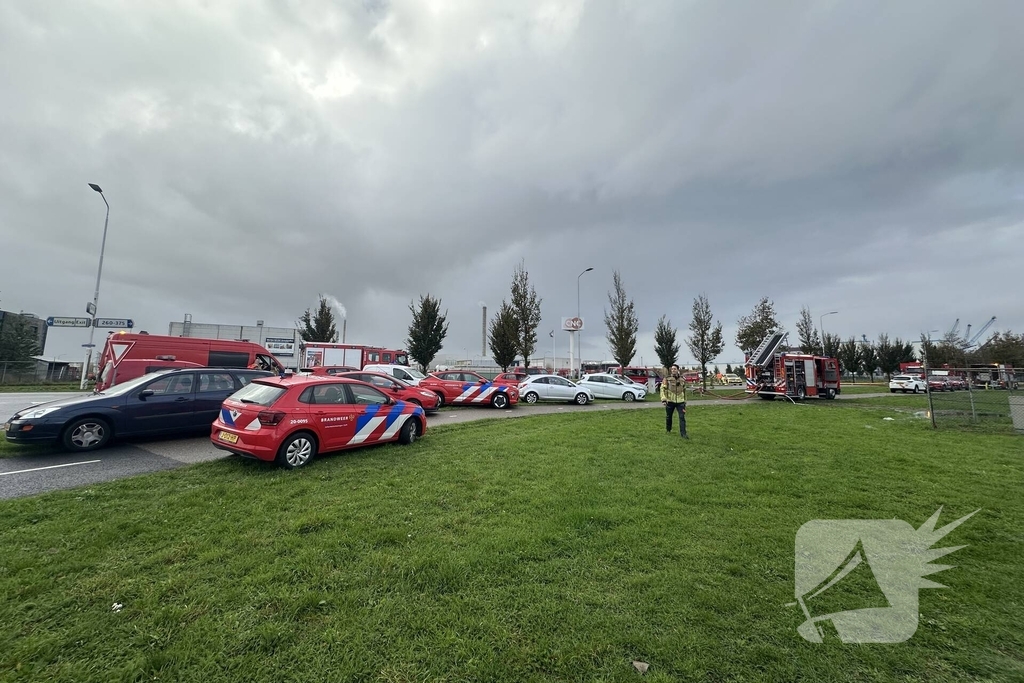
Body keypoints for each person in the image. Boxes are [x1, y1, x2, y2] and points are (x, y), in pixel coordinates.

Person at [660, 364, 688, 438]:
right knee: (669, 417)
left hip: (680, 402)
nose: (673, 370)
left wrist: (685, 400)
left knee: (682, 417)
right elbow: (662, 389)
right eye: (672, 369)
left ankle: (683, 434)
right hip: (670, 401)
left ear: (678, 370)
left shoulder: (682, 379)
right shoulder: (667, 379)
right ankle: (668, 429)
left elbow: (684, 390)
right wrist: (663, 399)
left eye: (675, 369)